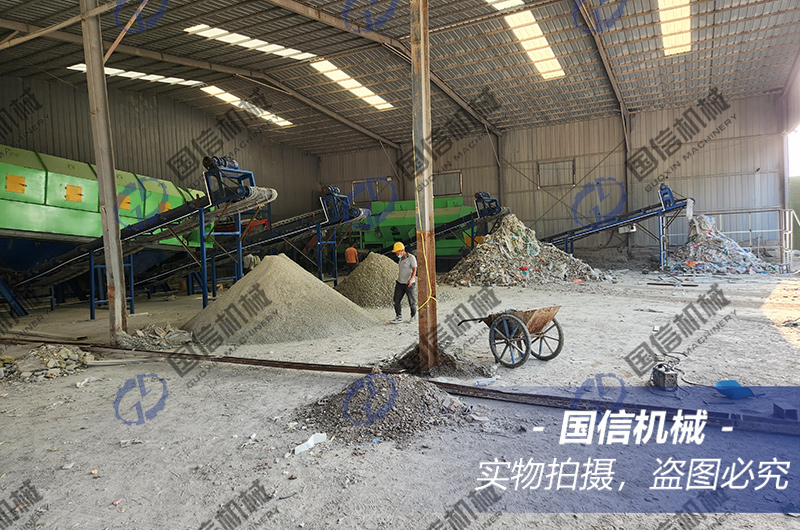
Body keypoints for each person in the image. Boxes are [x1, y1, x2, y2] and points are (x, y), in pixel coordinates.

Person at [391, 242, 417, 324]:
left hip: (409, 283)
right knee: (396, 300)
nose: (396, 254)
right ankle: (398, 317)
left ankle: (413, 316)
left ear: (401, 250)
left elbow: (414, 270)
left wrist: (411, 279)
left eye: (397, 252)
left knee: (411, 301)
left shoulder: (411, 258)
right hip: (400, 283)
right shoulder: (401, 258)